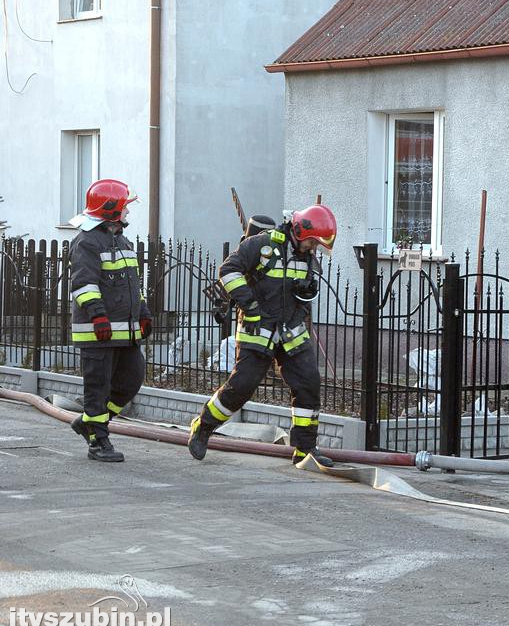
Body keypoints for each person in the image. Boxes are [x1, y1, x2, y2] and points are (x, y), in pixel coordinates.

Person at [188, 204, 336, 467]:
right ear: (301, 231)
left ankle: (305, 448)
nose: (314, 247)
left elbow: (305, 297)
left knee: (309, 383)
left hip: (291, 330)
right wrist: (250, 306)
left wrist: (302, 306)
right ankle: (204, 426)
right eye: (313, 241)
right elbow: (228, 272)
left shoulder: (308, 259)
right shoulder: (261, 245)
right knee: (242, 386)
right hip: (258, 327)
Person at [68, 179, 153, 462]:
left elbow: (133, 286)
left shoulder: (122, 241)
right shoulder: (87, 242)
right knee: (97, 386)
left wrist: (142, 312)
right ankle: (98, 440)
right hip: (98, 331)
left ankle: (90, 422)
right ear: (111, 210)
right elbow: (83, 284)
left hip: (124, 331)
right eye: (125, 207)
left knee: (131, 380)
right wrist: (99, 316)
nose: (128, 212)